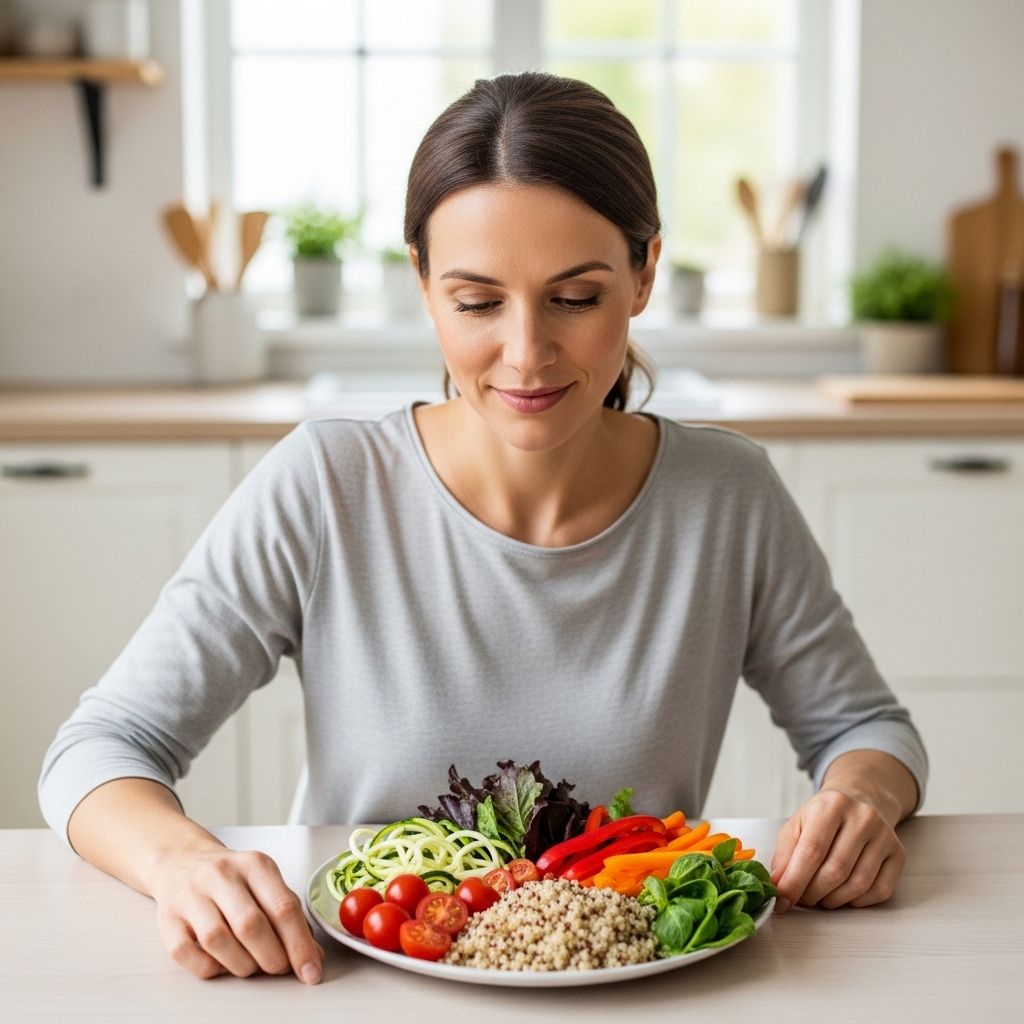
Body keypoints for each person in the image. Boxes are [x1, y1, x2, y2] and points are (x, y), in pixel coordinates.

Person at [39, 71, 927, 986]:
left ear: (645, 274)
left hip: (643, 991)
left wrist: (857, 799)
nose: (526, 352)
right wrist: (182, 862)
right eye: (477, 302)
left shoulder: (727, 496)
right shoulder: (327, 485)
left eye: (576, 298)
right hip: (356, 984)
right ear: (423, 285)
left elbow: (866, 727)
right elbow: (99, 751)